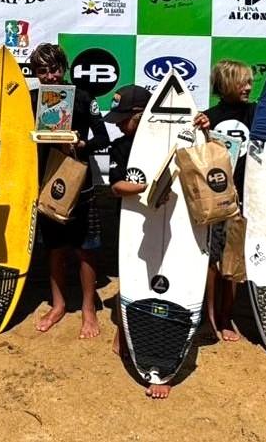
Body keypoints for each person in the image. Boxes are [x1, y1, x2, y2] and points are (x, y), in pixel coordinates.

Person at [29, 43, 110, 338]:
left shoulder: (83, 97)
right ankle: (58, 304)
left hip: (81, 182)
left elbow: (102, 137)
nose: (49, 76)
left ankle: (88, 308)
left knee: (86, 249)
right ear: (35, 73)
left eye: (53, 69)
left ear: (63, 68)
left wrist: (80, 143)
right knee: (54, 248)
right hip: (47, 181)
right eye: (42, 71)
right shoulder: (31, 98)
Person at [104, 84, 173, 399]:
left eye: (123, 118)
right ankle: (124, 329)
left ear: (142, 114)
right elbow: (116, 185)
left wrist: (201, 125)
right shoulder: (119, 146)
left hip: (173, 227)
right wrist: (143, 188)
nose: (118, 124)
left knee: (165, 281)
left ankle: (163, 355)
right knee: (131, 276)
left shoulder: (171, 138)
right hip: (134, 223)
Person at [193, 59, 256, 343]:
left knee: (234, 261)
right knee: (210, 262)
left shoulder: (257, 114)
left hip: (245, 197)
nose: (249, 86)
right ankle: (207, 318)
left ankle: (226, 316)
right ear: (227, 83)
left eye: (250, 81)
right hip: (215, 199)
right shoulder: (207, 117)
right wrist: (201, 130)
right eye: (243, 81)